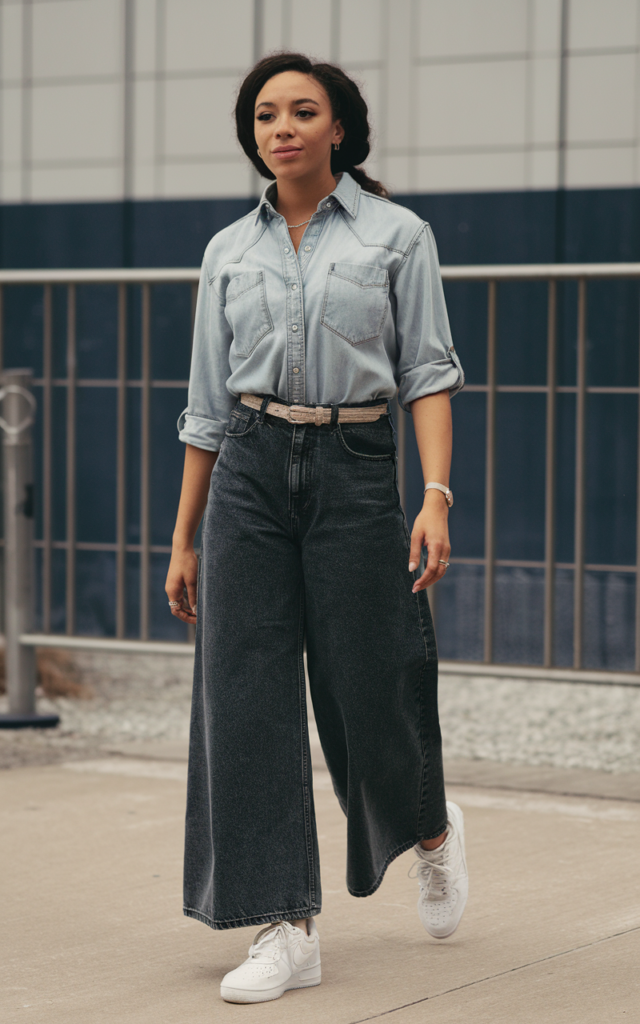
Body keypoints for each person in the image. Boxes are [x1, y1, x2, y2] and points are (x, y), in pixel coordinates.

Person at [165, 52, 467, 1005]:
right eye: (266, 115)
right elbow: (206, 406)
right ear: (252, 134)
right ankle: (284, 924)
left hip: (356, 467)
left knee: (370, 685)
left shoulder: (397, 234)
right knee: (244, 698)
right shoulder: (227, 250)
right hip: (249, 471)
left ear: (339, 128)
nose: (282, 128)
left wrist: (435, 494)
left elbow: (427, 373)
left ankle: (430, 829)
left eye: (302, 112)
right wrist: (183, 536)